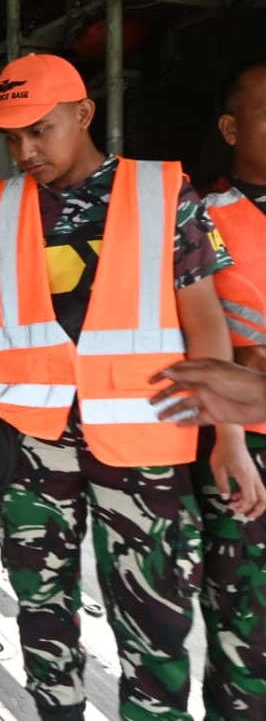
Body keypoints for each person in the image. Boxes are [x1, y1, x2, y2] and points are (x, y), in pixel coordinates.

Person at [0, 52, 266, 721]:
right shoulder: (2, 207)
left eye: (38, 130)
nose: (22, 149)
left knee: (155, 628)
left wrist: (228, 439)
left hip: (145, 443)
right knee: (44, 623)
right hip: (33, 445)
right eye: (9, 136)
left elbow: (206, 325)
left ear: (83, 114)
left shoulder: (167, 192)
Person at [183, 57, 266, 720]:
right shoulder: (202, 216)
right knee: (244, 628)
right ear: (231, 127)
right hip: (241, 448)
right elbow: (202, 342)